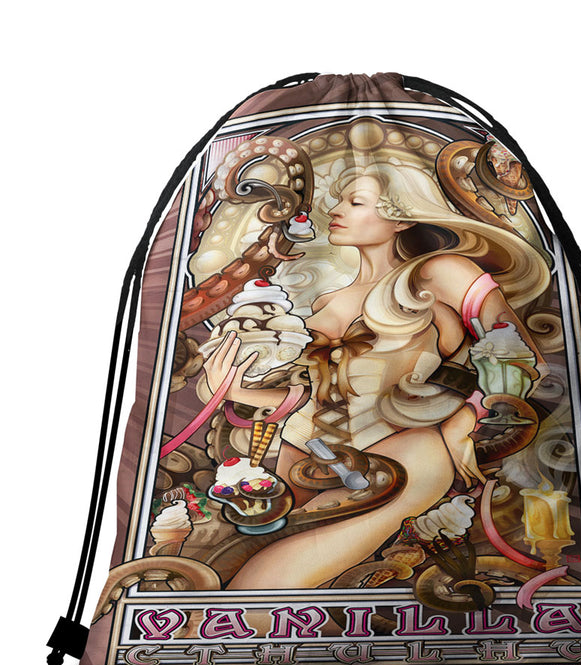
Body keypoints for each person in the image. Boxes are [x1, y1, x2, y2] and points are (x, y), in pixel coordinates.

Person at [202, 160, 550, 589]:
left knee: (260, 587)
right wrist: (235, 391)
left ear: (401, 218)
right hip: (305, 459)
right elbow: (316, 398)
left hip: (405, 455)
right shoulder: (326, 302)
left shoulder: (438, 273)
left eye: (356, 202)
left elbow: (522, 359)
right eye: (340, 201)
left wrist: (466, 415)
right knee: (228, 570)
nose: (336, 211)